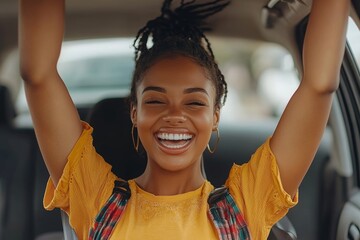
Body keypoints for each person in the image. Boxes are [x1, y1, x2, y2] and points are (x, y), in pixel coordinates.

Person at [19, 0, 349, 239]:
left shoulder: (248, 204)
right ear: (134, 112)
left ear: (215, 116)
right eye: (156, 100)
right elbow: (39, 75)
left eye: (194, 102)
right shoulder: (95, 200)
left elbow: (319, 86)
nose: (175, 115)